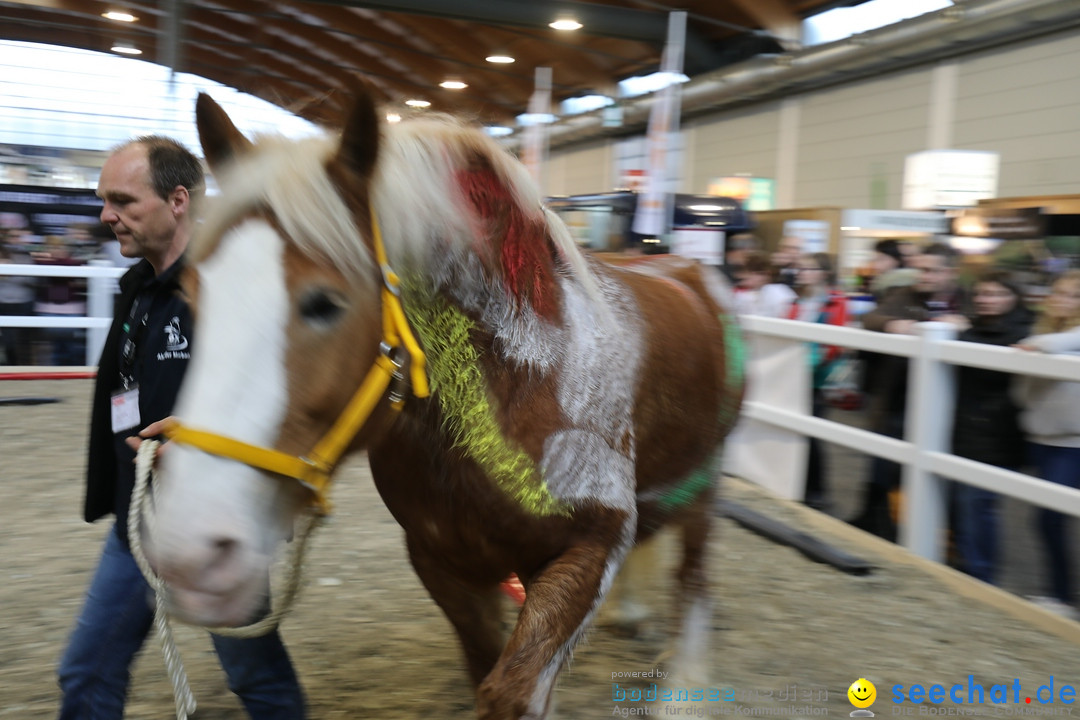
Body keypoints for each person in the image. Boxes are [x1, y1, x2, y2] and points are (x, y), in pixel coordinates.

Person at [57, 136, 306, 719]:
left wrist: (200, 445)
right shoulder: (139, 290)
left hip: (214, 521)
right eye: (104, 200)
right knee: (86, 669)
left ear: (176, 200)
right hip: (138, 518)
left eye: (122, 200)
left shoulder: (234, 291)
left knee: (255, 677)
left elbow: (285, 401)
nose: (106, 215)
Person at [853, 242, 969, 540]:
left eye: (931, 270)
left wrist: (964, 326)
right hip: (898, 397)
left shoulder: (969, 301)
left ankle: (940, 538)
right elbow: (872, 318)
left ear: (951, 273)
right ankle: (884, 529)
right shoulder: (904, 295)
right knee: (885, 466)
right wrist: (894, 324)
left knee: (942, 475)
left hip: (954, 404)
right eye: (921, 269)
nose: (923, 275)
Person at [950, 270, 1033, 584]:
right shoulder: (970, 329)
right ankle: (971, 566)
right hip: (968, 428)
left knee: (978, 504)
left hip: (998, 432)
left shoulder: (1025, 334)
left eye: (996, 294)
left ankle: (981, 575)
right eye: (982, 294)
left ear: (1014, 297)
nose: (986, 300)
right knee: (965, 502)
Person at [1013, 270, 1080, 620]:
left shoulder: (1060, 338)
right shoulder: (1044, 332)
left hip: (1072, 441)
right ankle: (1058, 592)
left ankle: (1061, 595)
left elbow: (1062, 343)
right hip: (1041, 435)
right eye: (1059, 293)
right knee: (1046, 517)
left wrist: (1038, 345)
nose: (1061, 300)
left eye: (1072, 295)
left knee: (1048, 518)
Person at [789, 252, 848, 510]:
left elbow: (833, 344)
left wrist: (807, 363)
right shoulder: (797, 301)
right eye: (800, 268)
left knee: (813, 435)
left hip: (817, 378)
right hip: (793, 374)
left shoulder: (835, 303)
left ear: (822, 273)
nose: (801, 272)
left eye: (808, 268)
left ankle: (818, 491)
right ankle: (799, 486)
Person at [733, 250, 796, 318]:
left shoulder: (780, 292)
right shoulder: (743, 295)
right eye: (748, 272)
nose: (749, 276)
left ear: (767, 274)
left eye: (756, 273)